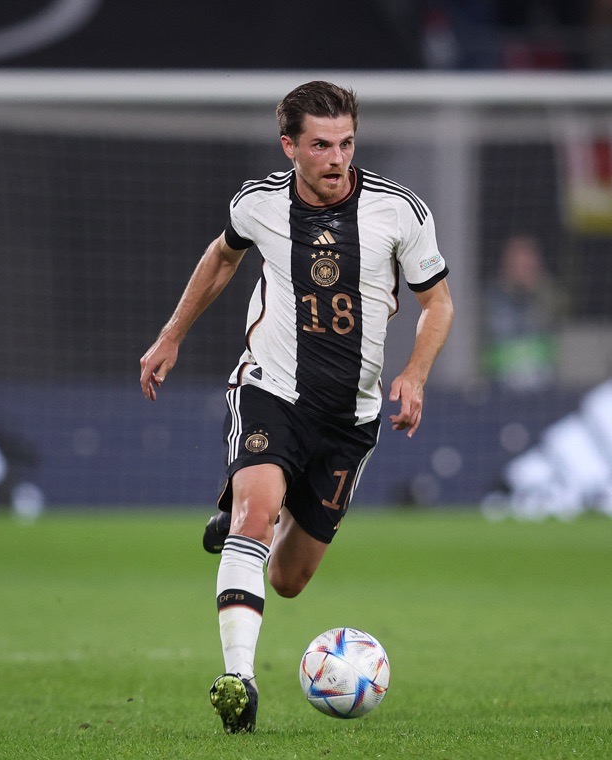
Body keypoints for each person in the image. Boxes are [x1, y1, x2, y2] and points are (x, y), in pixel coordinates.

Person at [138, 81, 454, 735]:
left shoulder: (400, 211)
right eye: (320, 145)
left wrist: (416, 374)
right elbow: (221, 258)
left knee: (287, 579)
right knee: (256, 512)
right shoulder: (258, 204)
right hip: (271, 389)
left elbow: (438, 303)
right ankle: (239, 680)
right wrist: (172, 334)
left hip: (352, 417)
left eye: (345, 143)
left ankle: (242, 521)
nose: (336, 158)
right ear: (290, 146)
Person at [482, 234, 561, 391]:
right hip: (497, 391)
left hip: (544, 392)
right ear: (505, 264)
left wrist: (535, 290)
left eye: (528, 265)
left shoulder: (551, 298)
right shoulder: (488, 302)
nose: (522, 270)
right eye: (517, 263)